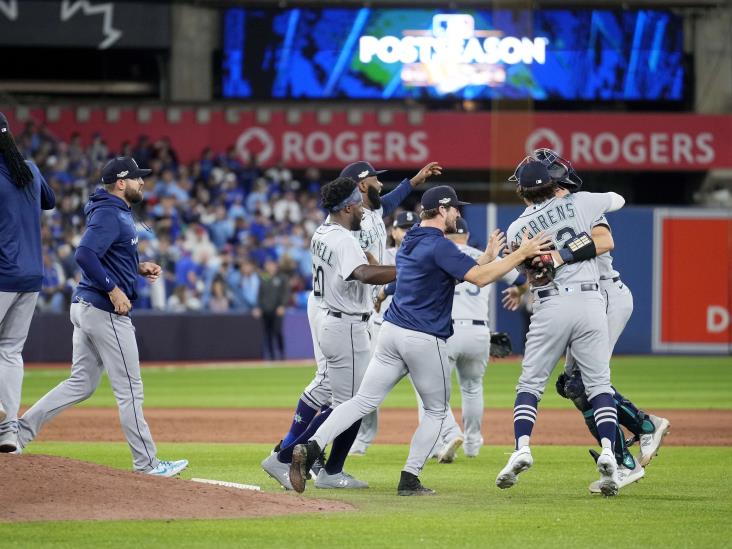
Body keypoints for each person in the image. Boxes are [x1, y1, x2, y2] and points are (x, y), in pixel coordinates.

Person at [288, 185, 550, 496]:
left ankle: (311, 445)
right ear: (441, 210)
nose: (457, 213)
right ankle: (409, 478)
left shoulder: (410, 237)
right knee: (436, 411)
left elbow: (461, 269)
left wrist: (491, 258)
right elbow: (479, 278)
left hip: (391, 332)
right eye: (453, 208)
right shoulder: (441, 246)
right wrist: (520, 254)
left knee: (361, 401)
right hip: (424, 337)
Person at [506, 149, 670, 493]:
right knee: (575, 385)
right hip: (586, 296)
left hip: (604, 294)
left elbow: (605, 240)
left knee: (580, 384)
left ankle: (630, 450)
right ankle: (639, 431)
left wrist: (557, 256)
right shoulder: (575, 205)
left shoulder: (580, 203)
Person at [17, 156, 188, 477]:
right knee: (130, 389)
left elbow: (107, 253)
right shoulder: (110, 213)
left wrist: (138, 266)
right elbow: (85, 253)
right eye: (137, 178)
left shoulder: (114, 210)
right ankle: (147, 464)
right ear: (121, 183)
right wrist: (112, 289)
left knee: (81, 383)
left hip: (86, 306)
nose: (142, 182)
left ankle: (20, 433)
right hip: (103, 309)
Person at [267, 160, 441, 465]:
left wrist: (413, 182)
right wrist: (403, 270)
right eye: (374, 180)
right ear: (358, 190)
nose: (379, 185)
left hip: (349, 305)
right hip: (340, 306)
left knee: (336, 387)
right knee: (343, 394)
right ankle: (295, 454)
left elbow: (386, 202)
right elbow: (361, 270)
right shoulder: (347, 229)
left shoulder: (365, 211)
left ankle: (298, 451)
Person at [496, 160, 626, 496]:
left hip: (550, 303)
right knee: (600, 384)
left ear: (523, 191)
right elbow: (618, 199)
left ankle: (522, 446)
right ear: (555, 182)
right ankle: (610, 450)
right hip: (590, 301)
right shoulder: (582, 202)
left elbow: (527, 274)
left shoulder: (516, 228)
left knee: (531, 383)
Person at [261, 177, 396, 490]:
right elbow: (362, 274)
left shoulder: (323, 231)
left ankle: (312, 463)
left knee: (328, 390)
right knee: (352, 405)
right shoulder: (343, 239)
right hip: (346, 323)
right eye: (358, 203)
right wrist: (409, 269)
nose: (363, 208)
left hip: (334, 319)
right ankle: (296, 461)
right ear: (348, 206)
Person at [429, 218, 528, 462]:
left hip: (445, 331)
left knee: (433, 393)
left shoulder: (438, 254)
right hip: (478, 332)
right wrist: (518, 291)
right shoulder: (485, 256)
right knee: (472, 389)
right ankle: (472, 444)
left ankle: (438, 442)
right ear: (467, 234)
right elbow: (523, 280)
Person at [0, 112, 56, 452]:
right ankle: (9, 432)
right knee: (10, 352)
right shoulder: (31, 170)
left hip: (3, 274)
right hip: (32, 276)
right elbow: (48, 201)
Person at [349, 210, 419, 456]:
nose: (409, 231)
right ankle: (362, 439)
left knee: (426, 388)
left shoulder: (423, 254)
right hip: (379, 329)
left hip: (413, 328)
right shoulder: (383, 254)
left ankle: (446, 437)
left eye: (413, 227)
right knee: (366, 386)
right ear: (394, 231)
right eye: (404, 227)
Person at [253, 260, 289, 360]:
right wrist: (258, 307)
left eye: (271, 264)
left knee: (277, 331)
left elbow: (285, 293)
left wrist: (282, 305)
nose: (269, 266)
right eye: (267, 264)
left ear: (275, 265)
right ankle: (271, 355)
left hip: (277, 310)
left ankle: (282, 353)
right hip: (265, 310)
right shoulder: (264, 277)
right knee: (267, 333)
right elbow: (260, 294)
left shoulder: (282, 278)